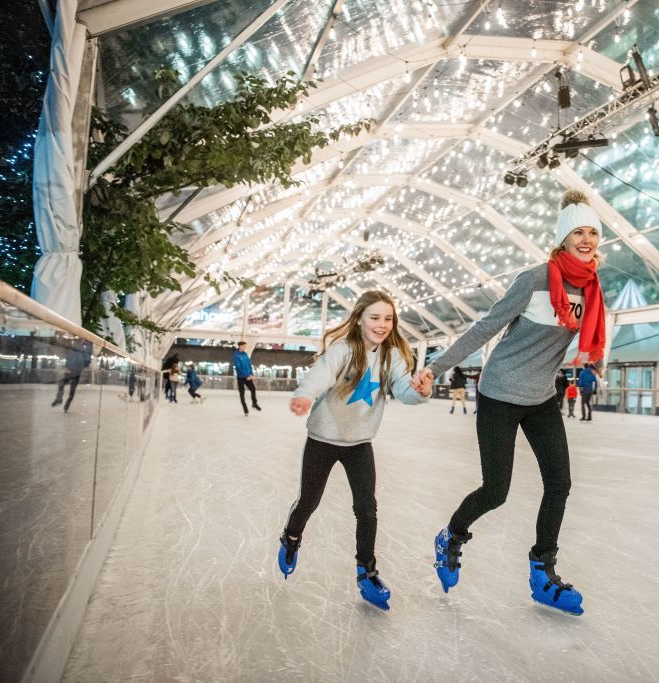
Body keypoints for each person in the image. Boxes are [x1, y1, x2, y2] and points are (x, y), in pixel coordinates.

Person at [412, 188, 607, 615]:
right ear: (562, 239)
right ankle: (452, 535)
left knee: (560, 484)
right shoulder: (534, 280)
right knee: (496, 490)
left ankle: (543, 573)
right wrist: (436, 366)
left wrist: (596, 362)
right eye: (578, 232)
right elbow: (485, 328)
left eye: (593, 231)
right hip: (499, 392)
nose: (587, 239)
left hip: (541, 396)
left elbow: (587, 337)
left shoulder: (591, 288)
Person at [278, 290, 432, 610]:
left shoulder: (392, 357)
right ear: (360, 318)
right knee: (309, 501)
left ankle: (367, 571)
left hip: (359, 443)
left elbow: (404, 390)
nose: (382, 324)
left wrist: (421, 391)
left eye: (388, 318)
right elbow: (320, 374)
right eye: (375, 317)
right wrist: (306, 394)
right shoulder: (343, 350)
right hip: (323, 438)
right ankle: (291, 538)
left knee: (367, 508)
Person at [51, 338, 91, 412]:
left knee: (71, 391)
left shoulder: (82, 353)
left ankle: (66, 405)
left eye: (77, 343)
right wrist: (67, 368)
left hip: (76, 374)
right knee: (61, 383)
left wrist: (84, 367)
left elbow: (85, 362)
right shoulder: (71, 352)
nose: (75, 344)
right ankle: (59, 399)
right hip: (69, 373)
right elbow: (68, 360)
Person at [233, 341, 261, 415]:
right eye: (244, 346)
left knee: (253, 389)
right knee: (242, 394)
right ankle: (245, 408)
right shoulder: (236, 355)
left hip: (248, 376)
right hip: (241, 378)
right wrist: (246, 376)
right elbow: (238, 367)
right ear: (240, 346)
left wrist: (251, 374)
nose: (245, 347)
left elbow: (249, 365)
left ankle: (254, 403)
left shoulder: (245, 354)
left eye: (246, 346)